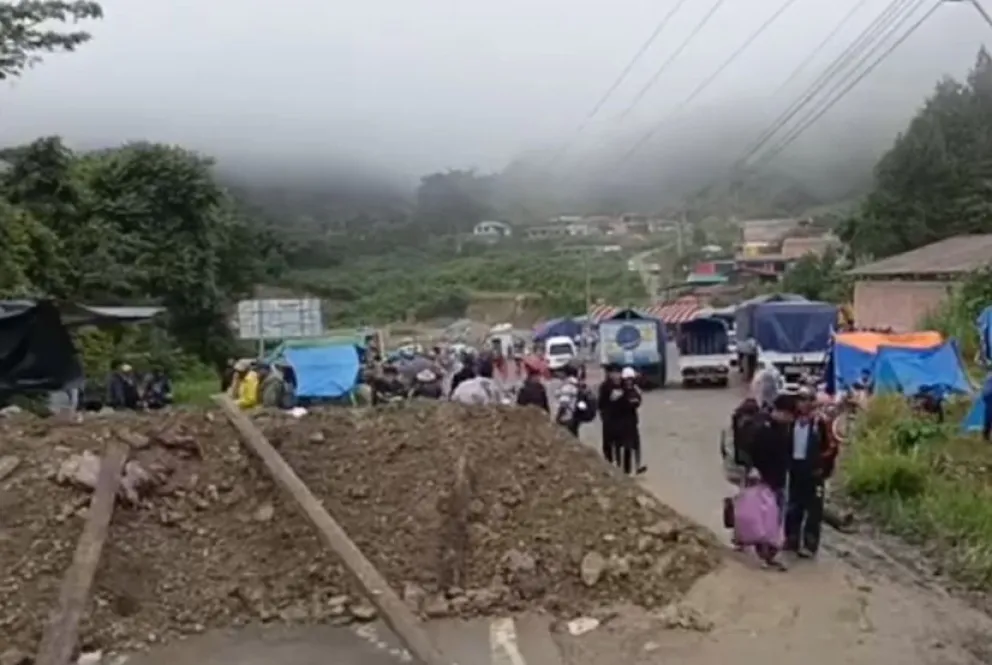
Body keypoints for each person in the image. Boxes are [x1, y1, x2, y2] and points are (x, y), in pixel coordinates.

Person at [741, 394, 793, 569]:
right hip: (763, 480)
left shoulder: (784, 429)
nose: (790, 419)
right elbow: (750, 450)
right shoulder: (762, 428)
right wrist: (753, 469)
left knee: (775, 518)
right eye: (789, 415)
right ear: (781, 412)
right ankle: (765, 554)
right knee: (763, 519)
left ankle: (769, 553)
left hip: (779, 479)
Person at [785, 388, 834, 558]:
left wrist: (821, 466)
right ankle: (791, 538)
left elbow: (831, 447)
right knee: (793, 505)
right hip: (795, 467)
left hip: (814, 470)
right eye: (800, 400)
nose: (802, 404)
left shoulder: (820, 423)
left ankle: (810, 544)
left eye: (806, 400)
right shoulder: (791, 422)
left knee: (814, 509)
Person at [597, 365, 624, 465]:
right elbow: (600, 404)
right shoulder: (605, 387)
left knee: (620, 444)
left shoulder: (624, 385)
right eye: (613, 373)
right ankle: (608, 462)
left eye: (618, 373)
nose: (616, 376)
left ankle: (620, 464)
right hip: (609, 419)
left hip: (622, 420)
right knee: (608, 443)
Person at [982, 371, 992, 441]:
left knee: (988, 416)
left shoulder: (989, 375)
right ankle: (986, 435)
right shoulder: (990, 376)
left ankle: (986, 435)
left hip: (987, 395)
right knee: (989, 416)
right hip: (989, 395)